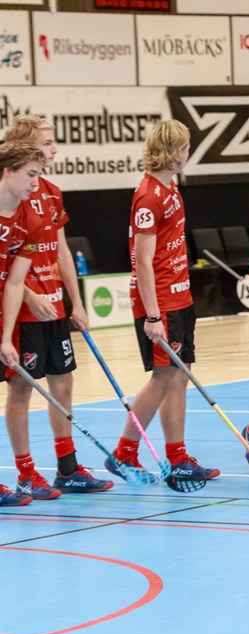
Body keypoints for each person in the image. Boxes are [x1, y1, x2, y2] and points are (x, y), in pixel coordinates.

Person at [3, 116, 111, 499]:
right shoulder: (13, 195)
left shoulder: (50, 192)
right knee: (21, 389)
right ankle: (26, 472)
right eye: (47, 143)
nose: (54, 150)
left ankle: (67, 468)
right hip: (24, 310)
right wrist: (28, 296)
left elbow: (61, 250)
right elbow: (10, 267)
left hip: (53, 304)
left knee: (63, 381)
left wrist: (75, 301)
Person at [106, 120, 220, 482]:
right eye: (185, 146)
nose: (188, 152)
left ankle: (177, 456)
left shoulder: (171, 188)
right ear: (174, 151)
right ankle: (124, 453)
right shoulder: (149, 196)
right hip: (161, 303)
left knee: (179, 377)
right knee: (163, 379)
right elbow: (142, 261)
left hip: (179, 296)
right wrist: (153, 315)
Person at [0, 142, 47, 505]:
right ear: (8, 171)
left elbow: (16, 283)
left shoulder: (31, 219)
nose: (36, 183)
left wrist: (6, 337)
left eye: (39, 175)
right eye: (30, 174)